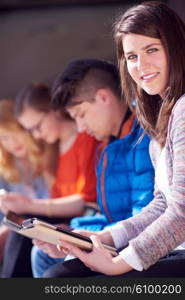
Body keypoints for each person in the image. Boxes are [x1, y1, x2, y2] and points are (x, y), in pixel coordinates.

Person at [40, 1, 185, 278]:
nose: (141, 66)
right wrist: (105, 238)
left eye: (151, 50)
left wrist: (119, 263)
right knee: (61, 273)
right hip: (171, 250)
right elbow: (161, 204)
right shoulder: (161, 118)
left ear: (175, 48)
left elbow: (181, 213)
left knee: (59, 278)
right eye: (131, 57)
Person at [31, 58, 154, 277]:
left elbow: (143, 219)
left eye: (81, 115)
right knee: (40, 254)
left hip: (141, 247)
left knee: (56, 275)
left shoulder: (144, 138)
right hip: (118, 236)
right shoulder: (106, 148)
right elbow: (112, 215)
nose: (80, 127)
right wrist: (70, 233)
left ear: (103, 97)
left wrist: (84, 239)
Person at [0, 83, 99, 220]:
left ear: (54, 110)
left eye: (38, 127)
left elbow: (88, 200)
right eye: (30, 130)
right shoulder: (52, 150)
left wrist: (29, 205)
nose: (36, 135)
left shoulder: (86, 138)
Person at [0, 98, 50, 276]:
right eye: (4, 137)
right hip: (14, 235)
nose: (12, 142)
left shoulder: (48, 155)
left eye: (15, 132)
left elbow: (52, 202)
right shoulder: (6, 171)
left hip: (43, 226)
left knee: (21, 227)